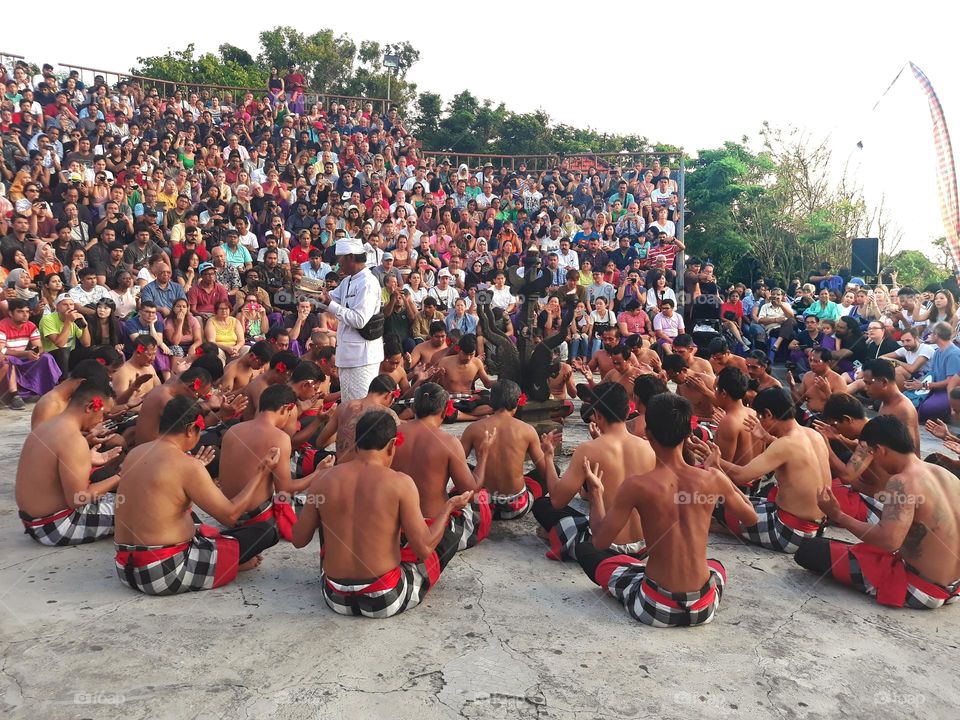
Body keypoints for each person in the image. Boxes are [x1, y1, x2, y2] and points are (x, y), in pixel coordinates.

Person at [575, 393, 758, 627]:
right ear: (688, 433)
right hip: (703, 606)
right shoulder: (712, 478)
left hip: (655, 608)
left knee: (592, 554)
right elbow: (750, 517)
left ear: (648, 433)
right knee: (716, 566)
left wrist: (596, 493)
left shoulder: (636, 485)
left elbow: (600, 542)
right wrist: (720, 472)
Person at [292, 409, 472, 618]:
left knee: (329, 518)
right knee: (446, 533)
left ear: (356, 442)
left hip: (335, 596)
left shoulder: (321, 481)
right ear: (392, 444)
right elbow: (423, 549)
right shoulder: (400, 483)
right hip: (384, 598)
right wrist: (448, 508)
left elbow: (299, 539)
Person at [113, 396, 281, 595]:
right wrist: (262, 473)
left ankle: (225, 559)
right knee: (266, 530)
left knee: (196, 521)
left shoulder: (135, 453)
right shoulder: (187, 465)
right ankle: (231, 563)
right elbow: (230, 515)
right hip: (164, 573)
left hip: (126, 568)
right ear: (191, 429)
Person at [796, 415, 960, 609]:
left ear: (880, 450)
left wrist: (838, 515)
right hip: (954, 588)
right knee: (845, 547)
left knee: (809, 550)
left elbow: (889, 541)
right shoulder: (947, 475)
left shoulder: (903, 481)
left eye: (871, 452)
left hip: (920, 589)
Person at [533, 383, 654, 561]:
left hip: (606, 545)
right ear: (628, 412)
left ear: (596, 415)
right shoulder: (648, 447)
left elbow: (558, 501)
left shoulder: (588, 450)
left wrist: (549, 457)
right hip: (644, 545)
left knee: (543, 505)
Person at [709, 387, 830, 553]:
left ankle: (733, 528)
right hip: (816, 527)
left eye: (760, 417)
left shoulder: (785, 444)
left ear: (768, 414)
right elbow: (793, 454)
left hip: (790, 533)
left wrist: (715, 460)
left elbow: (742, 476)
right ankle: (738, 528)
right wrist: (767, 438)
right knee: (745, 501)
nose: (760, 423)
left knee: (717, 502)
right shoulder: (813, 434)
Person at [15, 380, 122, 545]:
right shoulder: (73, 439)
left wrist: (87, 458)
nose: (102, 420)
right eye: (103, 414)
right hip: (57, 526)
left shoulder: (46, 427)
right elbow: (78, 498)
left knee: (127, 497)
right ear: (89, 408)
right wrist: (120, 476)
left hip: (34, 521)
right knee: (138, 508)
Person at [391, 383, 495, 551]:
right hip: (431, 527)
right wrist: (483, 456)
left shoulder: (393, 434)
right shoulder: (448, 442)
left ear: (413, 406)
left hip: (394, 526)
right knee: (482, 498)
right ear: (447, 408)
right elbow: (470, 491)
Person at [219, 384, 325, 542]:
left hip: (227, 512)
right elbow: (286, 490)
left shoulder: (232, 431)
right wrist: (318, 473)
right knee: (325, 503)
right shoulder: (280, 438)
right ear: (286, 409)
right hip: (255, 517)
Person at [314, 238, 383, 401]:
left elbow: (359, 320)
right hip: (347, 354)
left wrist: (330, 304)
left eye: (341, 259)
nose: (338, 263)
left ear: (351, 257)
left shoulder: (368, 283)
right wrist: (311, 292)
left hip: (362, 357)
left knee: (360, 404)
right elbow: (329, 299)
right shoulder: (347, 280)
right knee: (348, 404)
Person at [310, 374, 400, 464]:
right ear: (390, 395)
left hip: (340, 468)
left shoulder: (343, 407)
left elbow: (320, 442)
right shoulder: (389, 414)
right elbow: (396, 450)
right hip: (368, 471)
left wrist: (343, 429)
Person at [0, 298, 61, 397]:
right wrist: (25, 353)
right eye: (20, 312)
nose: (25, 315)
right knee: (10, 360)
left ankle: (50, 389)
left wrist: (35, 352)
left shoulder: (31, 325)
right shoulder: (2, 326)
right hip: (7, 358)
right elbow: (1, 350)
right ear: (10, 313)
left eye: (27, 312)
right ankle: (14, 395)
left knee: (46, 357)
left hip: (23, 358)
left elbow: (39, 346)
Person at [909, 322, 960, 422]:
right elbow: (932, 374)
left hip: (947, 392)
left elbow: (950, 382)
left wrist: (924, 386)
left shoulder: (953, 354)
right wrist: (918, 383)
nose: (929, 335)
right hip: (933, 388)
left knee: (925, 410)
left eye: (931, 333)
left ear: (936, 335)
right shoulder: (937, 351)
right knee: (910, 403)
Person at [436, 334, 495, 420]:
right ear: (459, 349)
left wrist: (502, 379)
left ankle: (462, 415)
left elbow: (487, 383)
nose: (468, 358)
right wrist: (438, 376)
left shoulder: (477, 362)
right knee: (443, 411)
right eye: (465, 354)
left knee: (494, 403)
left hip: (469, 398)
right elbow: (436, 386)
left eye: (471, 354)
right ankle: (474, 417)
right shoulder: (445, 362)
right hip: (451, 399)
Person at [713, 367, 763, 466]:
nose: (714, 393)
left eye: (715, 389)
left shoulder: (729, 421)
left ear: (723, 393)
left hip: (736, 480)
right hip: (755, 476)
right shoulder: (752, 412)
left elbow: (721, 466)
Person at [39, 292, 91, 371]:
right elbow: (60, 344)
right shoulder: (48, 319)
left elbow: (86, 344)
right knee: (63, 351)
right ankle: (63, 381)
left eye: (71, 304)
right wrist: (68, 322)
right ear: (57, 307)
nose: (69, 307)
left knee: (91, 350)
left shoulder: (75, 318)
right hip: (51, 355)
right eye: (65, 304)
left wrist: (85, 326)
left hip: (70, 354)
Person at [788, 347, 847, 415]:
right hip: (808, 414)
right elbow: (798, 402)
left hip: (827, 419)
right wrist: (792, 386)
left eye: (816, 361)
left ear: (828, 362)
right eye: (810, 360)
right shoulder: (807, 376)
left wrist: (827, 391)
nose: (812, 364)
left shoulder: (838, 380)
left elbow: (840, 408)